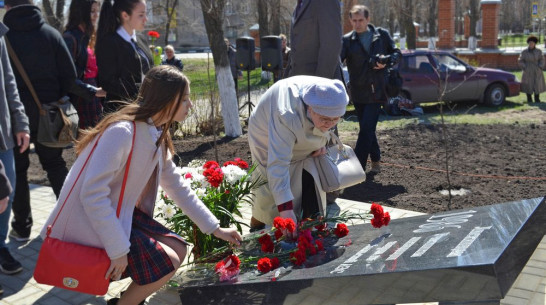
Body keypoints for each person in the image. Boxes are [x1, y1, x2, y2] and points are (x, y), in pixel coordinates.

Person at [40, 65, 242, 305]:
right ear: (166, 99)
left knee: (177, 249)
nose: (190, 105)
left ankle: (126, 301)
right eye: (185, 99)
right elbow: (92, 195)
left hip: (117, 213)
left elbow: (176, 186)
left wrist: (215, 228)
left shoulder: (155, 133)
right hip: (90, 222)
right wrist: (118, 250)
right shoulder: (123, 132)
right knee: (167, 261)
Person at [4, 0, 98, 242]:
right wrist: (92, 91)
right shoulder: (51, 35)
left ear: (7, 7)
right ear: (33, 3)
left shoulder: (5, 38)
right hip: (52, 117)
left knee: (19, 172)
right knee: (55, 166)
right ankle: (69, 221)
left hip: (15, 120)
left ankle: (22, 227)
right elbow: (69, 79)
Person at [247, 76, 348, 234]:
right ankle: (258, 223)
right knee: (267, 184)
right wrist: (286, 211)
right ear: (310, 108)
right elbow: (278, 164)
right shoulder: (286, 114)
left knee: (306, 172)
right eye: (324, 119)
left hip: (297, 124)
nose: (329, 124)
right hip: (265, 131)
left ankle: (307, 222)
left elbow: (327, 123)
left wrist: (321, 143)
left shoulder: (330, 96)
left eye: (335, 119)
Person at [340, 5, 401, 173]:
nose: (357, 23)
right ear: (350, 20)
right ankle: (376, 161)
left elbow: (397, 53)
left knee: (366, 129)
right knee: (368, 129)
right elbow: (338, 61)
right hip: (358, 92)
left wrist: (386, 60)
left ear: (368, 19)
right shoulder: (347, 41)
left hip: (378, 91)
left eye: (361, 20)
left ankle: (357, 168)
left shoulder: (381, 36)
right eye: (354, 20)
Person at [0, 20, 30, 277]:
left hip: (3, 135)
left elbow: (9, 81)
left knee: (4, 193)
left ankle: (1, 246)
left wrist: (20, 122)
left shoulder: (0, 33)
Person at [95, 0, 153, 113]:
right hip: (120, 112)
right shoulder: (109, 43)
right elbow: (107, 82)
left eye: (145, 14)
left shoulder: (141, 40)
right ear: (125, 15)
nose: (146, 19)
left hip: (144, 108)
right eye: (141, 15)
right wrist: (141, 92)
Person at [63, 0, 108, 129]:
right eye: (92, 11)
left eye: (97, 11)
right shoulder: (69, 38)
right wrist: (94, 91)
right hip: (80, 98)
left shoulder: (90, 37)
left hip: (94, 96)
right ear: (80, 12)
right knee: (84, 143)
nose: (96, 15)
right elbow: (67, 78)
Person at [287, 0, 342, 79]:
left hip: (319, 84)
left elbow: (331, 46)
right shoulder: (299, 5)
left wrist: (319, 85)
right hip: (299, 82)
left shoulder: (325, 2)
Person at [518, 35, 546, 103]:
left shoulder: (538, 51)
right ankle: (529, 99)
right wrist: (524, 67)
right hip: (527, 70)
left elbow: (542, 59)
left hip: (537, 70)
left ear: (535, 44)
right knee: (528, 85)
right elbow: (520, 60)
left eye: (532, 43)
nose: (531, 44)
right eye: (530, 43)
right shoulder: (524, 52)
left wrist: (540, 67)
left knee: (537, 84)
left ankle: (537, 99)